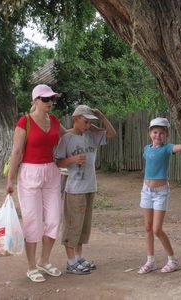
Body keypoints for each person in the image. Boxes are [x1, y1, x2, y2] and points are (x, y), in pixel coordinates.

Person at [6, 84, 67, 282]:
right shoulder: (25, 122)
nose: (50, 102)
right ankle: (31, 266)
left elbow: (68, 134)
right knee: (33, 222)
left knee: (54, 220)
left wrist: (87, 126)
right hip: (29, 173)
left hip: (51, 171)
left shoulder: (55, 121)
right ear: (35, 101)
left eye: (52, 99)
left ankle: (44, 260)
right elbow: (16, 153)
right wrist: (10, 181)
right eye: (45, 99)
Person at [54, 105, 116, 275]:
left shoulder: (91, 136)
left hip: (90, 186)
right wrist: (72, 159)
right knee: (73, 224)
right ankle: (71, 261)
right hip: (74, 188)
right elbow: (58, 162)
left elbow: (112, 134)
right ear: (75, 119)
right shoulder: (66, 138)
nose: (88, 125)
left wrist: (101, 116)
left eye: (90, 122)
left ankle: (79, 258)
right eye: (86, 121)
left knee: (83, 225)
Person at [138, 117, 181, 274]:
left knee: (157, 229)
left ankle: (173, 260)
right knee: (148, 228)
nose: (158, 135)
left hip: (160, 193)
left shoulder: (167, 148)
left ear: (167, 135)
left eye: (162, 133)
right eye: (155, 132)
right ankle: (150, 261)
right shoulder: (146, 149)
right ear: (150, 133)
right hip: (146, 191)